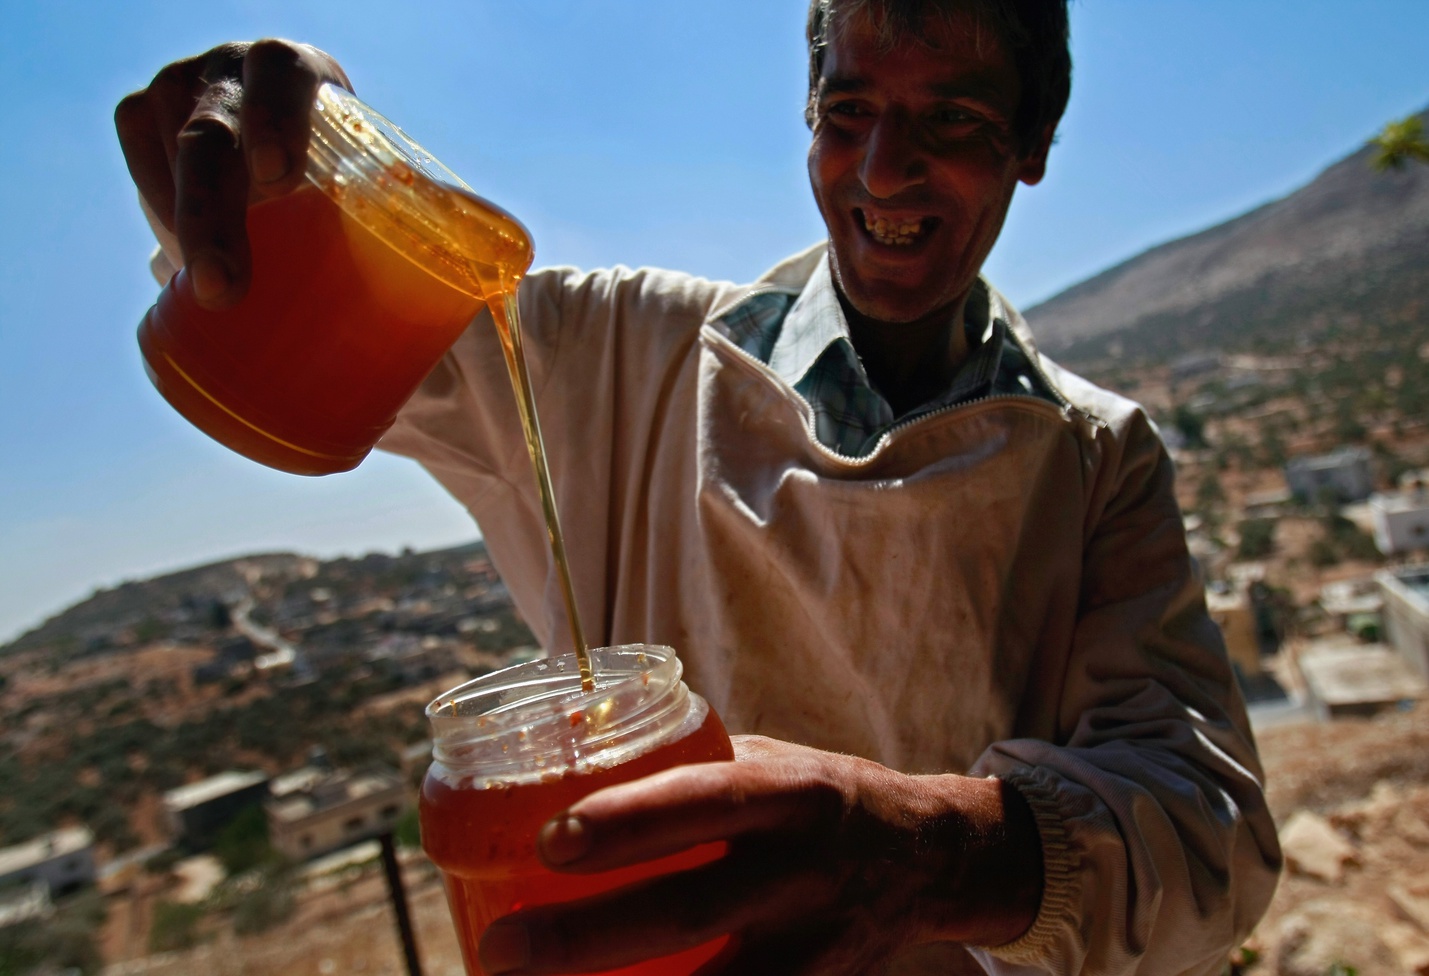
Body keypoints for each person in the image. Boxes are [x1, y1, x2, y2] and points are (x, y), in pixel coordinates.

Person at [116, 1, 1282, 973]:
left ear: (1033, 141)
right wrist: (300, 165)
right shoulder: (604, 353)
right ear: (808, 116)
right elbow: (320, 308)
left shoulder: (1095, 457)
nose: (884, 168)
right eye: (849, 111)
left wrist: (931, 852)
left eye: (955, 119)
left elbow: (1209, 835)